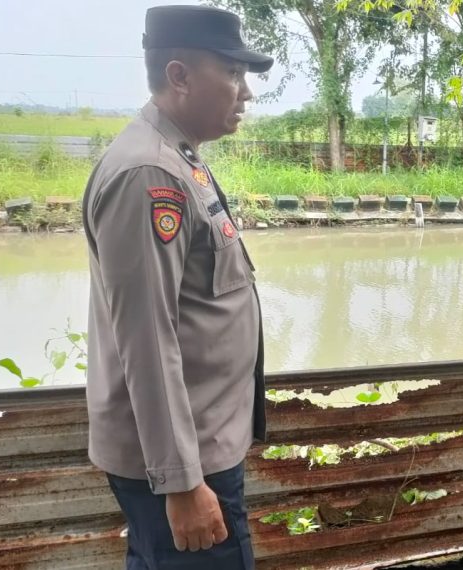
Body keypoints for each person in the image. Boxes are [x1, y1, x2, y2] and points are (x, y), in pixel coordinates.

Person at [81, 5, 273, 569]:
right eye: (232, 74)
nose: (245, 92)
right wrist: (183, 483)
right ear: (179, 76)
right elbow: (146, 337)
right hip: (183, 463)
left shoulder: (179, 158)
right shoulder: (150, 174)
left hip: (198, 443)